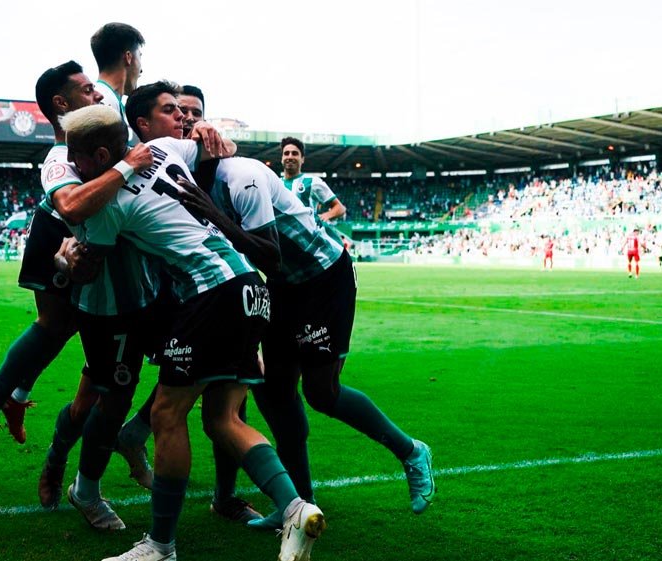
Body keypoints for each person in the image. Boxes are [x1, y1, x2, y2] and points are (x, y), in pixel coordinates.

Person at [127, 84, 435, 532]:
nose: (187, 123)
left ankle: (411, 451)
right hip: (276, 289)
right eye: (179, 115)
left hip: (321, 277)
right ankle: (298, 504)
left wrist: (214, 216)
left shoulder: (242, 174)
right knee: (272, 392)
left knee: (321, 393)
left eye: (193, 115)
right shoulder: (186, 177)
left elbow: (269, 253)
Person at [61, 102, 324, 561]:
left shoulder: (107, 207)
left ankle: (161, 545)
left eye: (76, 159)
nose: (73, 167)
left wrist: (65, 257)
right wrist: (204, 127)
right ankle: (297, 509)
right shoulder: (164, 147)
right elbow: (207, 148)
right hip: (250, 288)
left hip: (212, 293)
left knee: (166, 413)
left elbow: (91, 267)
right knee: (224, 419)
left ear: (100, 156)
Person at [0, 61, 149, 471]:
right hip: (54, 230)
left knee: (68, 324)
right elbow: (70, 205)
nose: (96, 94)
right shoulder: (60, 155)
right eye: (85, 90)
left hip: (74, 234)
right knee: (52, 324)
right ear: (61, 103)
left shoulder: (95, 126)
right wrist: (127, 164)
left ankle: (11, 401)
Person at [280, 137, 346, 241]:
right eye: (286, 153)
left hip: (308, 245)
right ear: (282, 158)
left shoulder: (313, 182)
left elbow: (340, 208)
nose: (290, 156)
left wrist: (326, 215)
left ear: (302, 159)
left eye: (295, 153)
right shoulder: (275, 184)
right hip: (283, 244)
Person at [91, 22, 145, 144]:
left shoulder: (109, 99)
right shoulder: (102, 103)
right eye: (140, 57)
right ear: (128, 57)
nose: (141, 70)